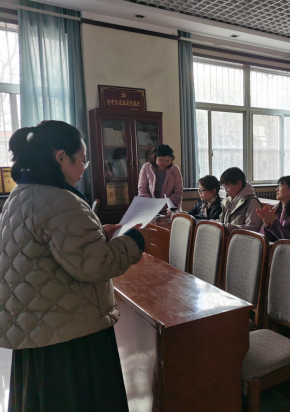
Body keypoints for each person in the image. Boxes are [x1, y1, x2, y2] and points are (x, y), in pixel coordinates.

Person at [2, 121, 145, 411]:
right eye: (82, 160)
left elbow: (52, 249)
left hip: (37, 325)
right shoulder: (59, 200)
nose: (84, 169)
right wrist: (135, 241)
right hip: (68, 333)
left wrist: (99, 235)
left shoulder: (22, 193)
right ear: (61, 157)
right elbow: (95, 265)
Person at [138, 144, 184, 210]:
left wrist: (169, 206)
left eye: (167, 161)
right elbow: (142, 190)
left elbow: (178, 192)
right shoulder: (146, 167)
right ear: (154, 157)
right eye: (161, 160)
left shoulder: (175, 170)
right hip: (150, 207)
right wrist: (149, 206)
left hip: (169, 208)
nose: (164, 163)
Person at [219, 167, 262, 232]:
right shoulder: (229, 201)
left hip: (241, 238)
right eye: (224, 187)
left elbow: (253, 228)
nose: (226, 191)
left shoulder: (252, 201)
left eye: (227, 187)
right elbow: (222, 222)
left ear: (239, 183)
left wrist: (228, 227)